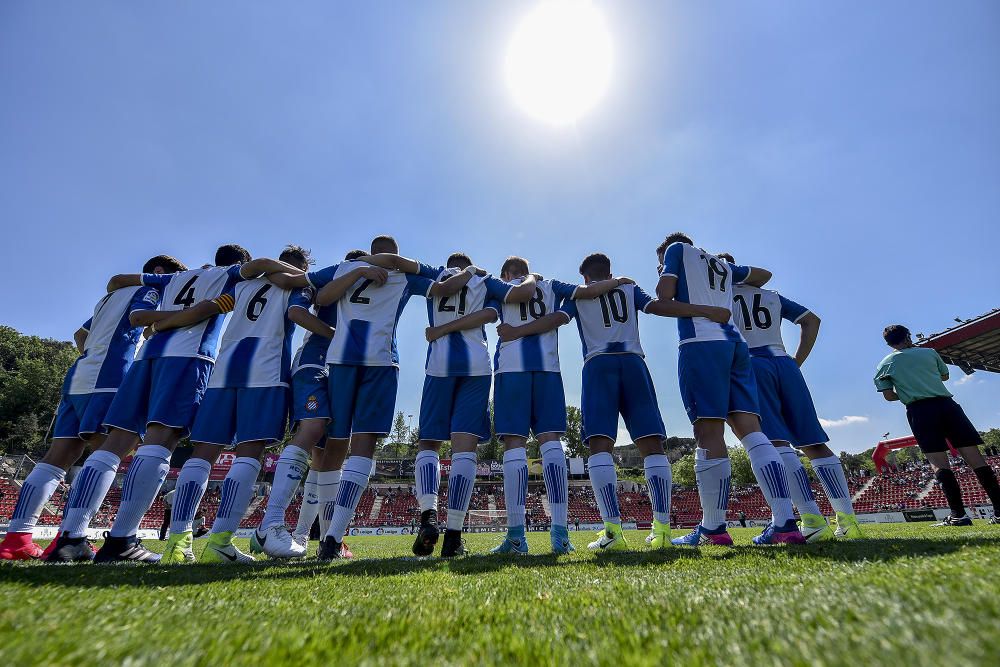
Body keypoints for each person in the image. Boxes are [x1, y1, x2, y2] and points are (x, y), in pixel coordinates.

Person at [47, 245, 297, 564]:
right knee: (161, 441)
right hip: (189, 358)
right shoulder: (231, 275)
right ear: (241, 264)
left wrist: (164, 323)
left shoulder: (176, 277)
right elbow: (262, 265)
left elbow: (120, 283)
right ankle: (121, 540)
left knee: (115, 443)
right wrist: (306, 277)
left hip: (147, 357)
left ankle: (71, 538)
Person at [500, 252, 722, 551]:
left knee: (599, 446)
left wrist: (517, 331)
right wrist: (704, 310)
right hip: (634, 363)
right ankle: (663, 531)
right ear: (610, 271)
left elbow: (556, 319)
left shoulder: (581, 296)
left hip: (598, 364)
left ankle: (613, 532)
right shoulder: (629, 288)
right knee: (652, 446)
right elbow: (656, 306)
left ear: (587, 279)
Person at [0, 254, 186, 561]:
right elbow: (140, 318)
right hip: (110, 377)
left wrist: (93, 356)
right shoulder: (149, 290)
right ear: (158, 272)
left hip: (79, 376)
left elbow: (80, 334)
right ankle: (72, 536)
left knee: (58, 456)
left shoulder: (110, 297)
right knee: (108, 452)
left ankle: (18, 537)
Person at [158, 245, 325, 564]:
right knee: (249, 453)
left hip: (223, 369)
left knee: (202, 454)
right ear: (299, 267)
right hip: (265, 369)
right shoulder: (299, 285)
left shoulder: (241, 283)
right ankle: (220, 541)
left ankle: (177, 545)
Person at [314, 236, 473, 560]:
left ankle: (329, 537)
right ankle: (332, 536)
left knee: (338, 446)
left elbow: (322, 297)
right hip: (381, 363)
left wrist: (357, 273)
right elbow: (443, 286)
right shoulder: (400, 274)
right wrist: (469, 272)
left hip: (342, 360)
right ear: (395, 255)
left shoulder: (348, 266)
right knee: (362, 446)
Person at [653, 233, 806, 547]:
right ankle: (786, 523)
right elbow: (763, 275)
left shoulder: (676, 250)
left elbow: (663, 297)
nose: (660, 267)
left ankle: (713, 528)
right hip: (736, 345)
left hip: (702, 344)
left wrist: (698, 303)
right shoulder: (719, 264)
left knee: (709, 433)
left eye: (660, 263)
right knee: (752, 431)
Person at [247, 249, 380, 560]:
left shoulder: (373, 294)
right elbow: (297, 312)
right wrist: (335, 335)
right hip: (314, 363)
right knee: (313, 430)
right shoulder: (322, 285)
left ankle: (313, 537)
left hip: (343, 369)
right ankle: (272, 523)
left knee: (330, 453)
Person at [725, 253, 862, 541]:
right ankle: (848, 521)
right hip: (784, 362)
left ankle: (810, 518)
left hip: (751, 364)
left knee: (775, 443)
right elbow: (811, 320)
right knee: (815, 443)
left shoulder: (719, 297)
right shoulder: (771, 296)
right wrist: (796, 361)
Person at [410, 252, 527, 558]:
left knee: (429, 444)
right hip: (476, 365)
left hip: (438, 366)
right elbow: (491, 314)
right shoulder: (483, 280)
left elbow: (405, 271)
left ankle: (428, 517)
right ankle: (454, 535)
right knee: (465, 449)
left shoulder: (433, 277)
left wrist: (440, 329)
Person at [485, 256, 578, 556]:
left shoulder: (500, 288)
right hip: (549, 369)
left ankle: (515, 538)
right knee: (551, 442)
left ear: (506, 273)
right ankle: (561, 535)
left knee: (514, 444)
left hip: (511, 369)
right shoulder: (551, 286)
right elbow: (580, 297)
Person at [875, 325, 1000, 526]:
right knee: (976, 459)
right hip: (947, 406)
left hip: (919, 411)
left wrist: (908, 391)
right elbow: (944, 376)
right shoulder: (929, 353)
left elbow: (889, 396)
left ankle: (958, 515)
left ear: (889, 343)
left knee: (939, 463)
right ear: (907, 336)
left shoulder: (885, 363)